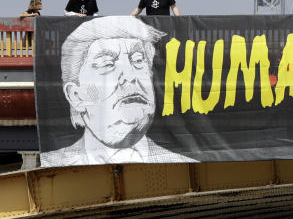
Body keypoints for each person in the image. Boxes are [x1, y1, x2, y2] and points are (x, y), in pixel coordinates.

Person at [42, 17, 196, 167]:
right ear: (76, 95)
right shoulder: (54, 165)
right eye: (107, 64)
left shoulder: (183, 165)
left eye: (138, 61)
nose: (130, 76)